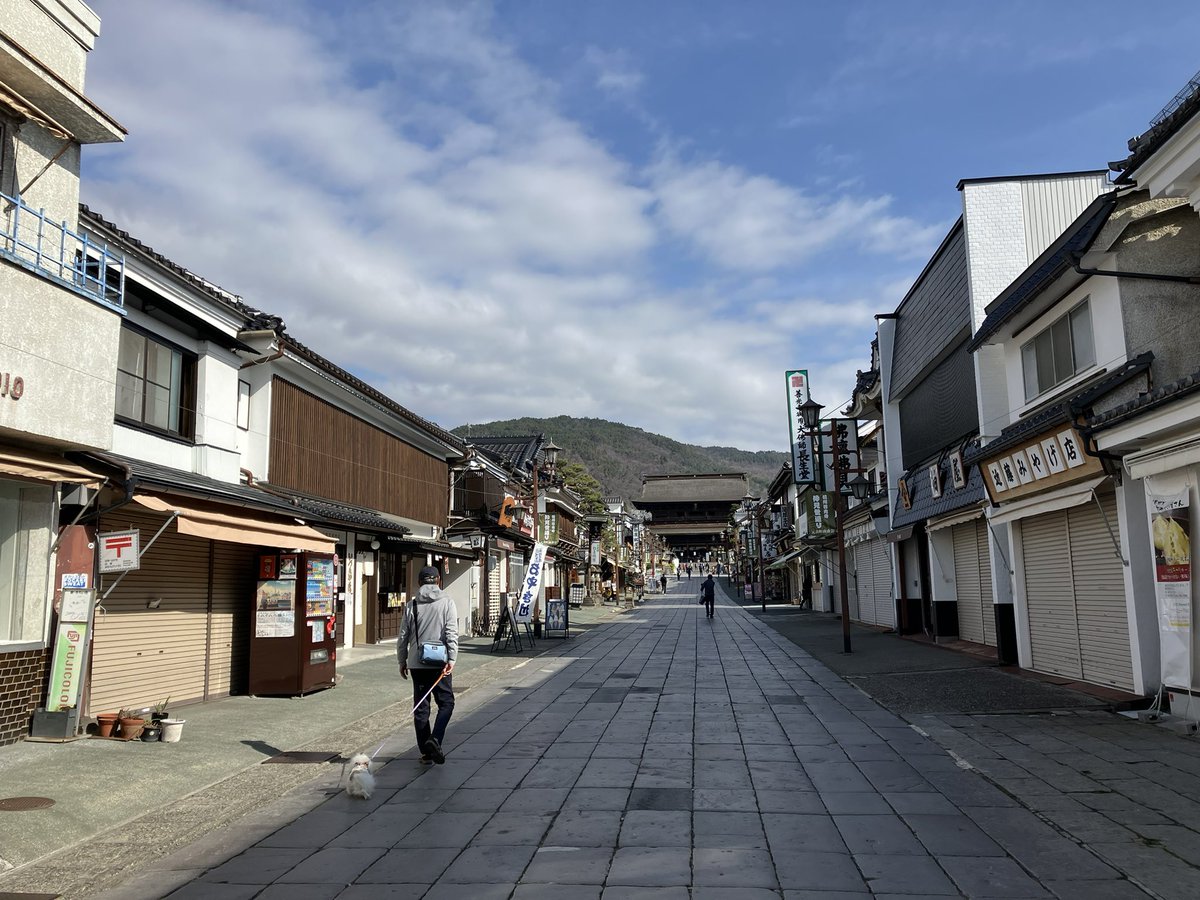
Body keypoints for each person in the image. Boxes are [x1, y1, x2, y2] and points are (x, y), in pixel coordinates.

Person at [398, 565, 458, 765]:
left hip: (417, 662)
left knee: (421, 706)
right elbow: (451, 633)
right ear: (438, 580)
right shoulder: (447, 602)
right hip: (440, 662)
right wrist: (452, 658)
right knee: (446, 703)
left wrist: (402, 661)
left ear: (419, 582)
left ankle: (425, 752)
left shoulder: (411, 605)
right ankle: (436, 738)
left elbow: (403, 637)